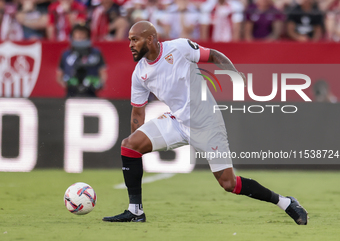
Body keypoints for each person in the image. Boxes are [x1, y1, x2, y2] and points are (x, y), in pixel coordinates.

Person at [102, 21, 308, 225]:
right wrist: (138, 148)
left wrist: (233, 72)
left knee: (229, 183)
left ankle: (285, 202)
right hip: (177, 123)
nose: (130, 44)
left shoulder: (178, 48)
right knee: (129, 146)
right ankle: (135, 211)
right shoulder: (139, 74)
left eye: (134, 40)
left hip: (208, 125)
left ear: (150, 38)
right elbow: (137, 112)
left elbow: (213, 55)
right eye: (129, 40)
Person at [56, 24, 107, 97]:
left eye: (83, 33)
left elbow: (103, 72)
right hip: (71, 93)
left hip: (91, 92)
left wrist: (99, 83)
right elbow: (59, 74)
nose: (80, 36)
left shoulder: (95, 53)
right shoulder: (66, 54)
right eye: (77, 33)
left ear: (88, 36)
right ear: (73, 36)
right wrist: (66, 82)